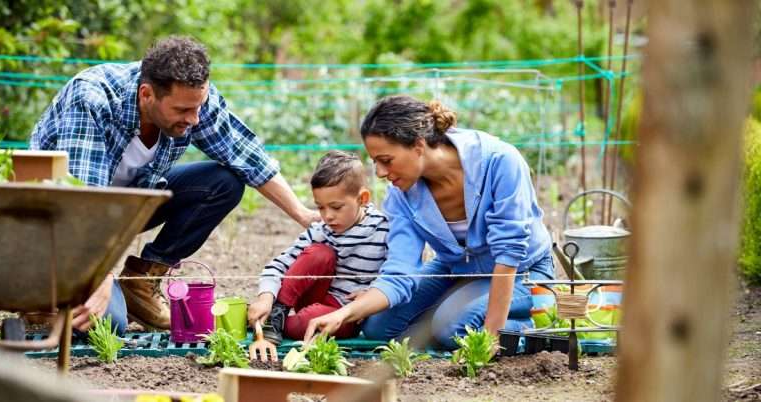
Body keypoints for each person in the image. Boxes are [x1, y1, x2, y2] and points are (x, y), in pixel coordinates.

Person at [30, 36, 318, 335]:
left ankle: (139, 283)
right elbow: (79, 201)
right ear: (146, 95)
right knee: (108, 323)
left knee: (223, 183)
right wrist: (100, 278)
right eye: (182, 111)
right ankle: (38, 295)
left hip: (123, 208)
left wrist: (303, 214)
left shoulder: (193, 99)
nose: (194, 119)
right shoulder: (92, 98)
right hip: (56, 224)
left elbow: (246, 156)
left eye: (198, 107)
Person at [304, 95, 554, 349]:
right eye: (375, 162)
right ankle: (452, 312)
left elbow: (508, 253)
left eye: (386, 160)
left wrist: (490, 337)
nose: (379, 173)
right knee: (377, 326)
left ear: (418, 145)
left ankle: (541, 322)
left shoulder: (499, 161)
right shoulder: (401, 194)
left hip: (524, 271)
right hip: (455, 269)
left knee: (453, 329)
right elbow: (400, 270)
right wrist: (344, 313)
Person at [248, 151, 389, 346]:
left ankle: (269, 323)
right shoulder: (321, 230)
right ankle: (276, 315)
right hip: (315, 296)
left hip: (347, 313)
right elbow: (278, 265)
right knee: (320, 253)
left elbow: (396, 272)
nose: (327, 216)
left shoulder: (383, 229)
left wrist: (373, 292)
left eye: (336, 207)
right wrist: (265, 298)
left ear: (362, 198)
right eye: (321, 207)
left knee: (308, 322)